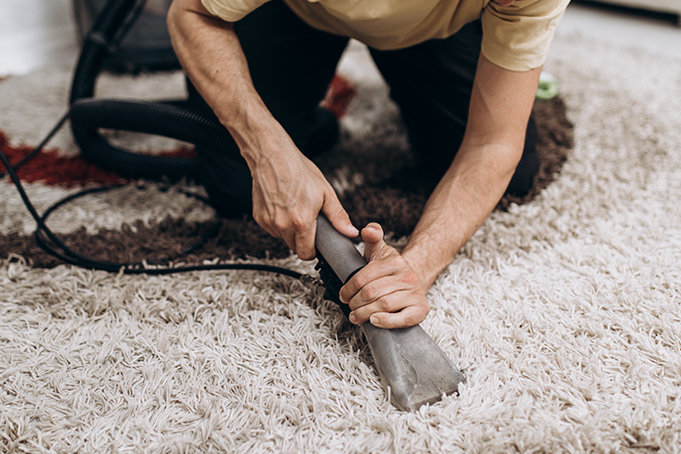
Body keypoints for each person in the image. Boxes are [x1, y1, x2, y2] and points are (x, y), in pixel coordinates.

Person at [167, 0, 569, 329]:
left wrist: (411, 271)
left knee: (512, 176)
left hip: (432, 30)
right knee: (239, 188)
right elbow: (190, 14)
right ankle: (321, 111)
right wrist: (269, 152)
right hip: (296, 9)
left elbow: (494, 143)